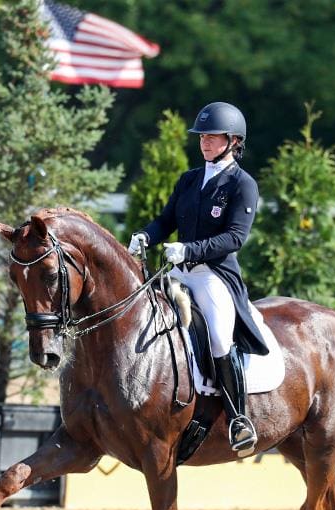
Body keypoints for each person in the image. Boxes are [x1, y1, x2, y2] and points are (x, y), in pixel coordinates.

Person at [128, 101, 268, 456]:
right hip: (177, 272)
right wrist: (146, 235)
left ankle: (239, 419)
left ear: (233, 140)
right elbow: (165, 221)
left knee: (220, 339)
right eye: (202, 136)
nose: (205, 142)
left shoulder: (242, 184)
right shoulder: (189, 180)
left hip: (212, 277)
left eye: (213, 136)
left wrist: (189, 250)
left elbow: (235, 237)